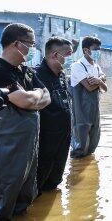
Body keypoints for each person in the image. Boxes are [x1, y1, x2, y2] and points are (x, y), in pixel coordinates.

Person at [0, 23, 51, 219]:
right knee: (6, 190)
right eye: (30, 44)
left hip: (29, 144)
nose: (33, 48)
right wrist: (35, 96)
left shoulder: (27, 71)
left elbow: (47, 97)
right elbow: (26, 101)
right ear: (17, 44)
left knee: (26, 190)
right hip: (8, 146)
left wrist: (32, 96)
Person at [35, 37, 73, 193]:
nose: (70, 59)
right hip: (46, 136)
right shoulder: (37, 75)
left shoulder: (61, 75)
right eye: (68, 54)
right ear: (55, 55)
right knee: (41, 175)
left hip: (64, 134)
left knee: (56, 177)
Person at [70, 36, 107, 158]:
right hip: (81, 111)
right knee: (80, 146)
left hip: (94, 110)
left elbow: (104, 87)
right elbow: (89, 87)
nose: (98, 52)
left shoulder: (96, 66)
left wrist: (98, 80)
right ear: (86, 50)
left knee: (93, 143)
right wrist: (101, 81)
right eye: (95, 49)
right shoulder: (78, 65)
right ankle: (76, 171)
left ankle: (88, 170)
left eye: (99, 49)